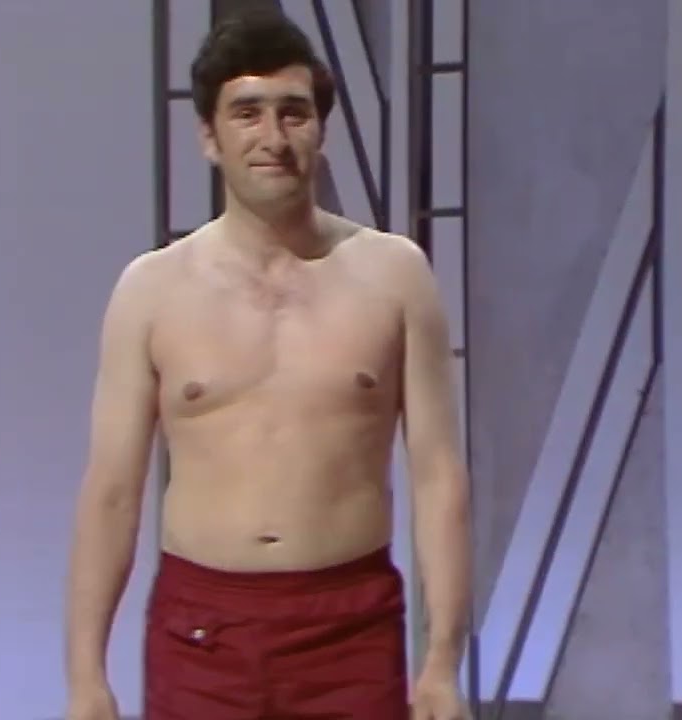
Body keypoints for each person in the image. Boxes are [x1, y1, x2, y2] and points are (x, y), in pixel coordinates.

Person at [64, 9, 472, 720]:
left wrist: (442, 662)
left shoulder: (395, 275)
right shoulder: (151, 290)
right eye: (247, 113)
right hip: (203, 633)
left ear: (320, 129)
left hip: (350, 627)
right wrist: (85, 677)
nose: (273, 138)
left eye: (294, 113)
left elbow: (439, 480)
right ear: (210, 136)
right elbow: (112, 495)